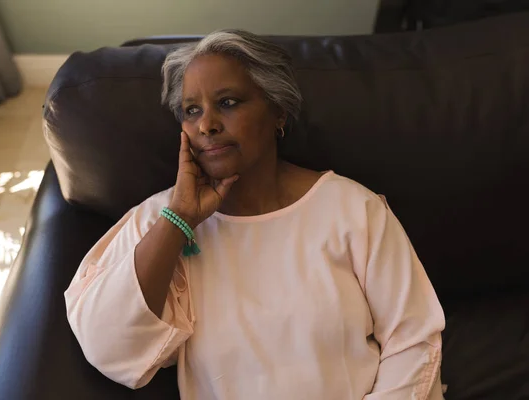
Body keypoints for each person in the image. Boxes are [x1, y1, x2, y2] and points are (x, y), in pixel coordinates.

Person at [65, 29, 445, 400]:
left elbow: (414, 338)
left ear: (277, 111)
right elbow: (108, 348)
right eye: (191, 110)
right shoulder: (160, 221)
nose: (206, 125)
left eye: (227, 102)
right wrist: (179, 220)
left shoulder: (354, 210)